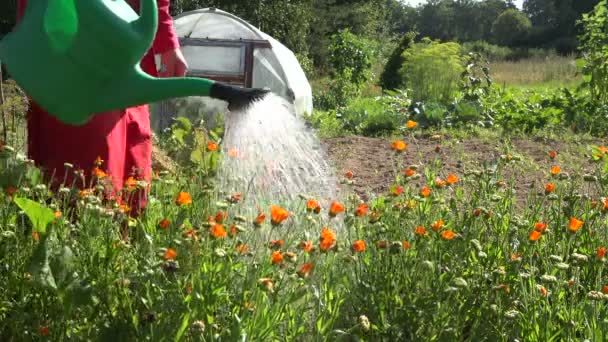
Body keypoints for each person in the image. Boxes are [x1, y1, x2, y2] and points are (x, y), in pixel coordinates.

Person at [16, 0, 188, 216]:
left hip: (125, 51)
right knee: (80, 179)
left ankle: (118, 244)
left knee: (130, 179)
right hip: (76, 55)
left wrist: (167, 39)